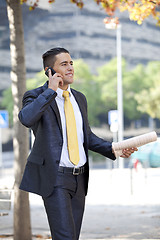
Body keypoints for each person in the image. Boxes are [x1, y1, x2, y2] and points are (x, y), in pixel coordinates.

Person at [18, 47, 137, 240]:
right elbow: (26, 118)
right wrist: (51, 91)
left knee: (72, 237)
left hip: (79, 180)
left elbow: (86, 137)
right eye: (64, 64)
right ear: (49, 71)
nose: (70, 68)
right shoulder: (37, 96)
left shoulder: (79, 98)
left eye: (71, 63)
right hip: (55, 178)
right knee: (65, 237)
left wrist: (115, 149)